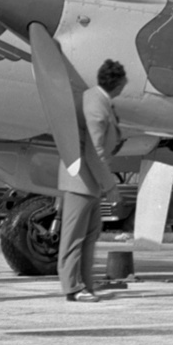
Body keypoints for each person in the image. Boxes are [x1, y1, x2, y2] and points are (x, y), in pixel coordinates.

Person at [56, 59, 128, 303]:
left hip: (89, 182)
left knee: (89, 235)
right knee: (74, 236)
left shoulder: (98, 100)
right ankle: (72, 287)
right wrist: (110, 186)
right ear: (118, 83)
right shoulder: (96, 103)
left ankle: (84, 283)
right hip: (82, 180)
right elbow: (94, 152)